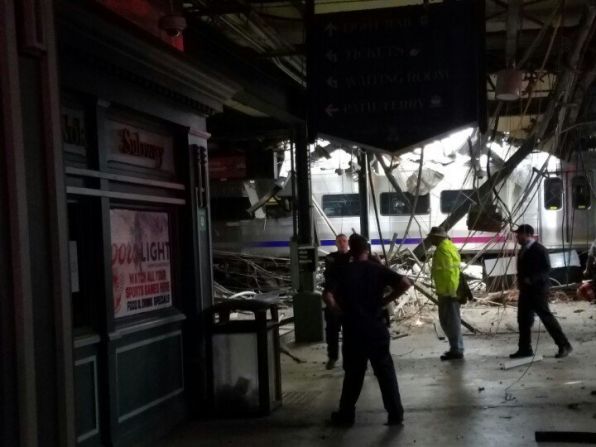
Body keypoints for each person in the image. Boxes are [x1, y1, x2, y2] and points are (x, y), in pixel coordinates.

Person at [323, 234, 412, 427]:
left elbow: (328, 296)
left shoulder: (343, 271)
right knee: (385, 372)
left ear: (351, 251)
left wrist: (338, 311)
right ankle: (395, 414)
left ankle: (346, 415)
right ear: (367, 250)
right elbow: (405, 283)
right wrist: (384, 301)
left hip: (353, 329)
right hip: (376, 328)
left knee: (353, 374)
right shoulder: (377, 269)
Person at [510, 224, 573, 359]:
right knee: (523, 320)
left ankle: (564, 345)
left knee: (546, 318)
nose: (517, 237)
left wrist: (532, 279)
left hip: (537, 290)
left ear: (527, 234)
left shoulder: (539, 249)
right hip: (525, 291)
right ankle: (525, 349)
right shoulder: (523, 250)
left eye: (519, 234)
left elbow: (546, 269)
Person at [427, 226, 464, 361]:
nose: (430, 239)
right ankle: (456, 348)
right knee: (451, 321)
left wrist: (450, 292)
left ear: (437, 237)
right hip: (449, 290)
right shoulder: (449, 246)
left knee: (450, 322)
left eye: (431, 237)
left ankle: (457, 350)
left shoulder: (442, 249)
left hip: (448, 292)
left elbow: (449, 273)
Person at [323, 233, 350, 370]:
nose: (342, 243)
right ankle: (332, 357)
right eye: (339, 241)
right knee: (332, 331)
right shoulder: (330, 257)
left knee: (349, 333)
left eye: (344, 241)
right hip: (333, 298)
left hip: (348, 300)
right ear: (336, 243)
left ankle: (348, 360)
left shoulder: (352, 257)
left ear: (348, 242)